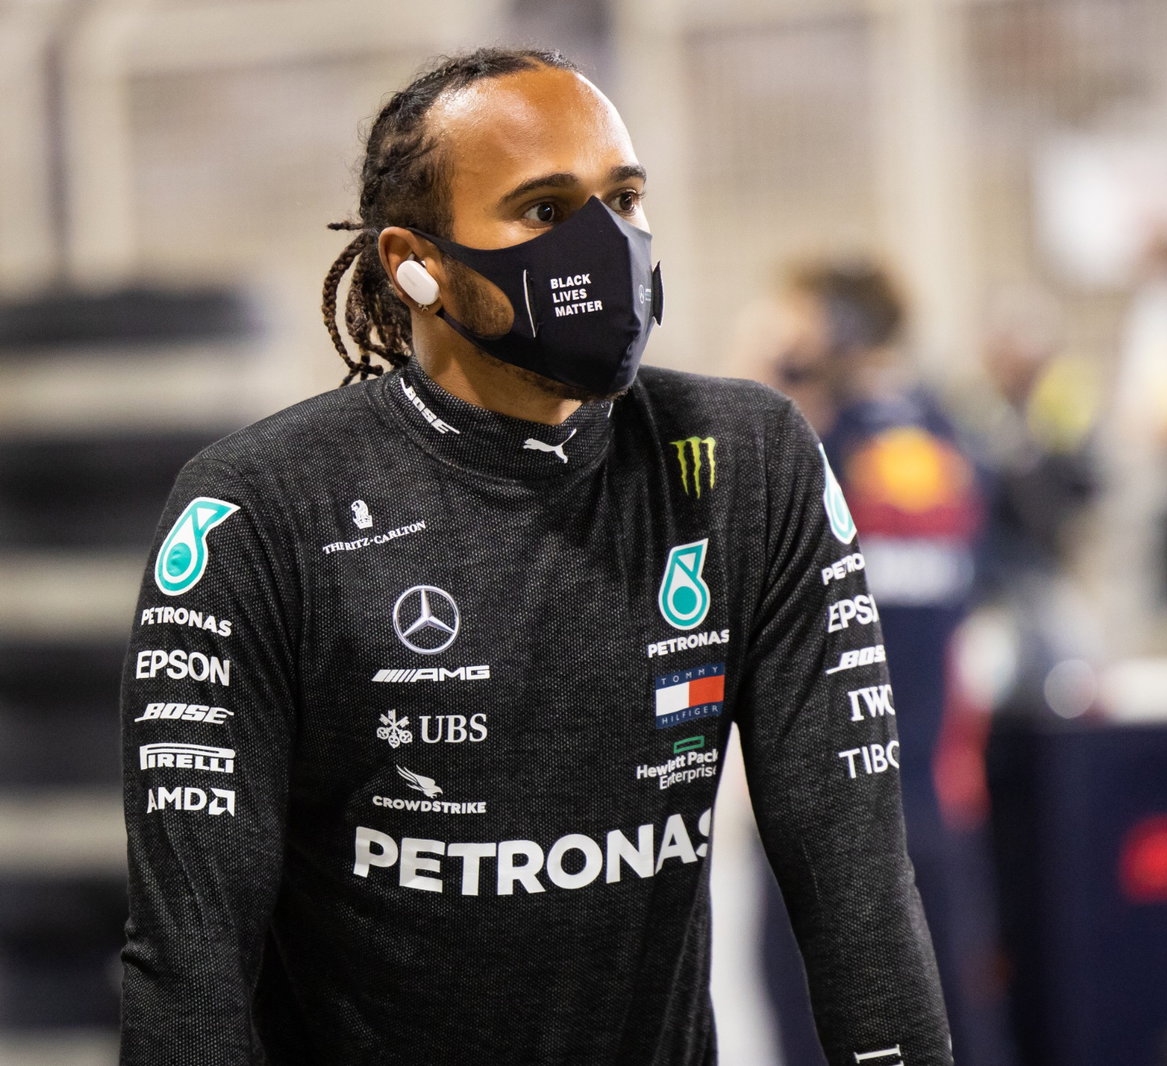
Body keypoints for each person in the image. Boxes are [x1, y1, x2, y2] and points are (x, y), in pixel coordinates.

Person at [118, 48, 950, 1066]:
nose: (607, 245)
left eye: (625, 198)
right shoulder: (258, 509)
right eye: (546, 212)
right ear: (412, 262)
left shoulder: (747, 463)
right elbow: (189, 965)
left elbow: (854, 881)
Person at [737, 262, 1011, 1066]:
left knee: (816, 1030)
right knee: (949, 1023)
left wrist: (768, 372)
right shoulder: (955, 440)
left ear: (829, 335)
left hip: (822, 807)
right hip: (936, 793)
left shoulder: (804, 446)